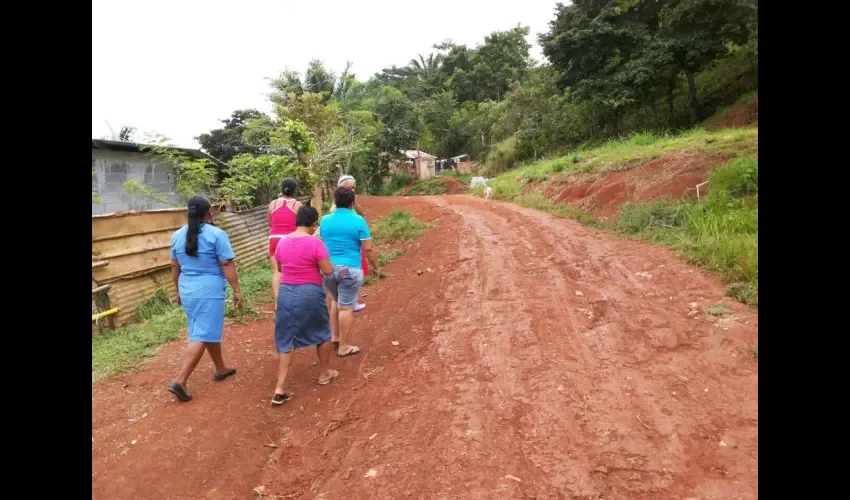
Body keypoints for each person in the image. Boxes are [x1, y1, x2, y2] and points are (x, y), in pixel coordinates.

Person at [168, 195, 243, 402]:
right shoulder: (216, 234)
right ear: (209, 212)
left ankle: (221, 368)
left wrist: (177, 291)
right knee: (201, 333)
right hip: (209, 290)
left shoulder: (176, 236)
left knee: (205, 328)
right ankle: (180, 380)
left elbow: (174, 267)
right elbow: (227, 264)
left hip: (187, 288)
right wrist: (237, 290)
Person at [271, 206, 339, 405]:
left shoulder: (282, 242)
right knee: (322, 332)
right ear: (313, 224)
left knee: (286, 338)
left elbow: (281, 268)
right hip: (310, 292)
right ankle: (324, 373)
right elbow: (328, 270)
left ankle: (280, 387)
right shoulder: (315, 242)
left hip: (286, 293)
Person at [320, 187, 380, 357]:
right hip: (350, 270)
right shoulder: (358, 220)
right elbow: (368, 249)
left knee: (336, 300)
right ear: (352, 203)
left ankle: (335, 337)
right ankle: (343, 347)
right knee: (346, 308)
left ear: (335, 201)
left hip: (328, 269)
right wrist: (376, 266)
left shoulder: (325, 220)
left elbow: (322, 242)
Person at [329, 175, 369, 312]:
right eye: (350, 188)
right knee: (349, 273)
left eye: (354, 188)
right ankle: (348, 304)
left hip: (348, 243)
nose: (352, 190)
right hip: (345, 244)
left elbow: (361, 213)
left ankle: (351, 301)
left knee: (351, 273)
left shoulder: (350, 201)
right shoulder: (337, 204)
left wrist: (355, 202)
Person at [268, 178, 302, 293]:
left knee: (277, 272)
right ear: (294, 190)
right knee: (294, 270)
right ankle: (293, 296)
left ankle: (277, 300)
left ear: (281, 189)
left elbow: (270, 223)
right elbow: (301, 224)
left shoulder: (273, 204)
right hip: (291, 239)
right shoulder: (297, 205)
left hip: (274, 239)